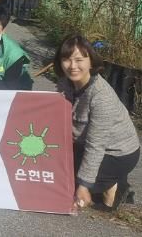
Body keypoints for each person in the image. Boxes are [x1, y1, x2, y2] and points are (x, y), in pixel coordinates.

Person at [55, 35, 139, 211]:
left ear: (91, 62)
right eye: (66, 59)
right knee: (56, 171)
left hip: (116, 152)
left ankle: (116, 187)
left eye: (79, 60)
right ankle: (104, 181)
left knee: (71, 185)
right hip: (82, 143)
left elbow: (96, 145)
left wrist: (84, 185)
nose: (73, 66)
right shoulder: (65, 82)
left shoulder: (101, 96)